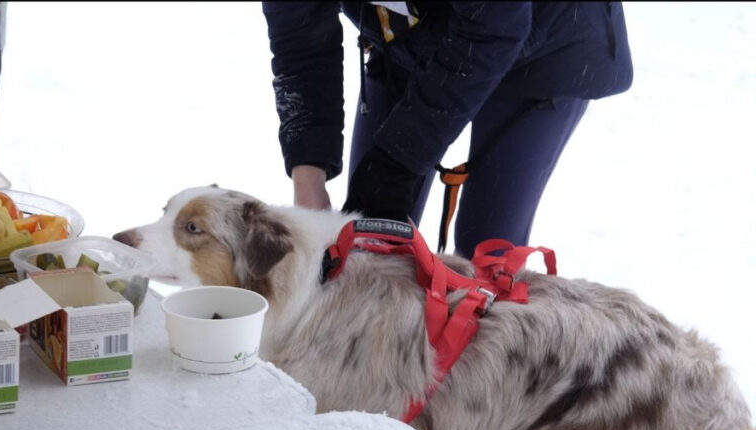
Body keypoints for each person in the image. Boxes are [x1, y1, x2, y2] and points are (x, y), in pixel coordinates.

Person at [263, 2, 633, 256]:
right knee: (368, 236)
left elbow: (494, 31)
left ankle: (496, 366)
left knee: (487, 252)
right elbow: (301, 46)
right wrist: (308, 177)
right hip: (411, 39)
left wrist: (398, 164)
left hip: (547, 47)